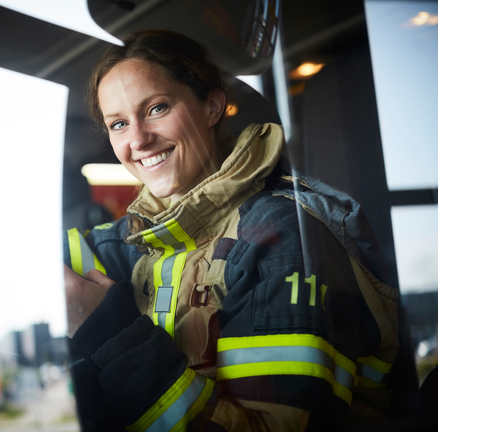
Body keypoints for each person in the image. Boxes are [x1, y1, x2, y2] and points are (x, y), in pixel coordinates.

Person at [62, 30, 403, 431]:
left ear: (211, 106)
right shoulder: (139, 237)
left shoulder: (282, 237)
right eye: (118, 123)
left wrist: (110, 336)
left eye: (156, 108)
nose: (137, 139)